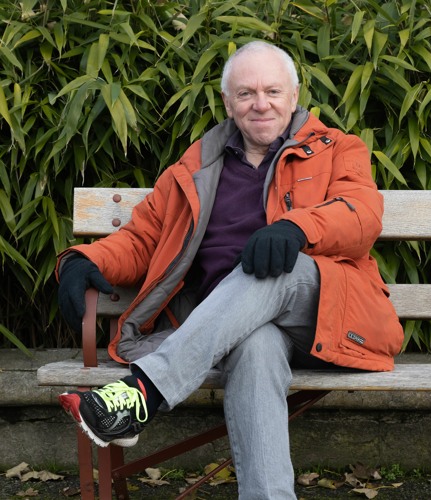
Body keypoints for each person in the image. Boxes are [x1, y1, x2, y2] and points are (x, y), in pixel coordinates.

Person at [57, 41, 403, 499]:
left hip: (324, 315)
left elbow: (361, 214)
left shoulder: (338, 149)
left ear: (294, 96)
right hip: (231, 329)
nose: (261, 104)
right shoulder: (196, 166)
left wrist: (297, 228)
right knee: (255, 346)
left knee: (275, 266)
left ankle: (144, 391)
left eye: (273, 91)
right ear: (227, 102)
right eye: (246, 93)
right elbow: (145, 238)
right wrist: (86, 260)